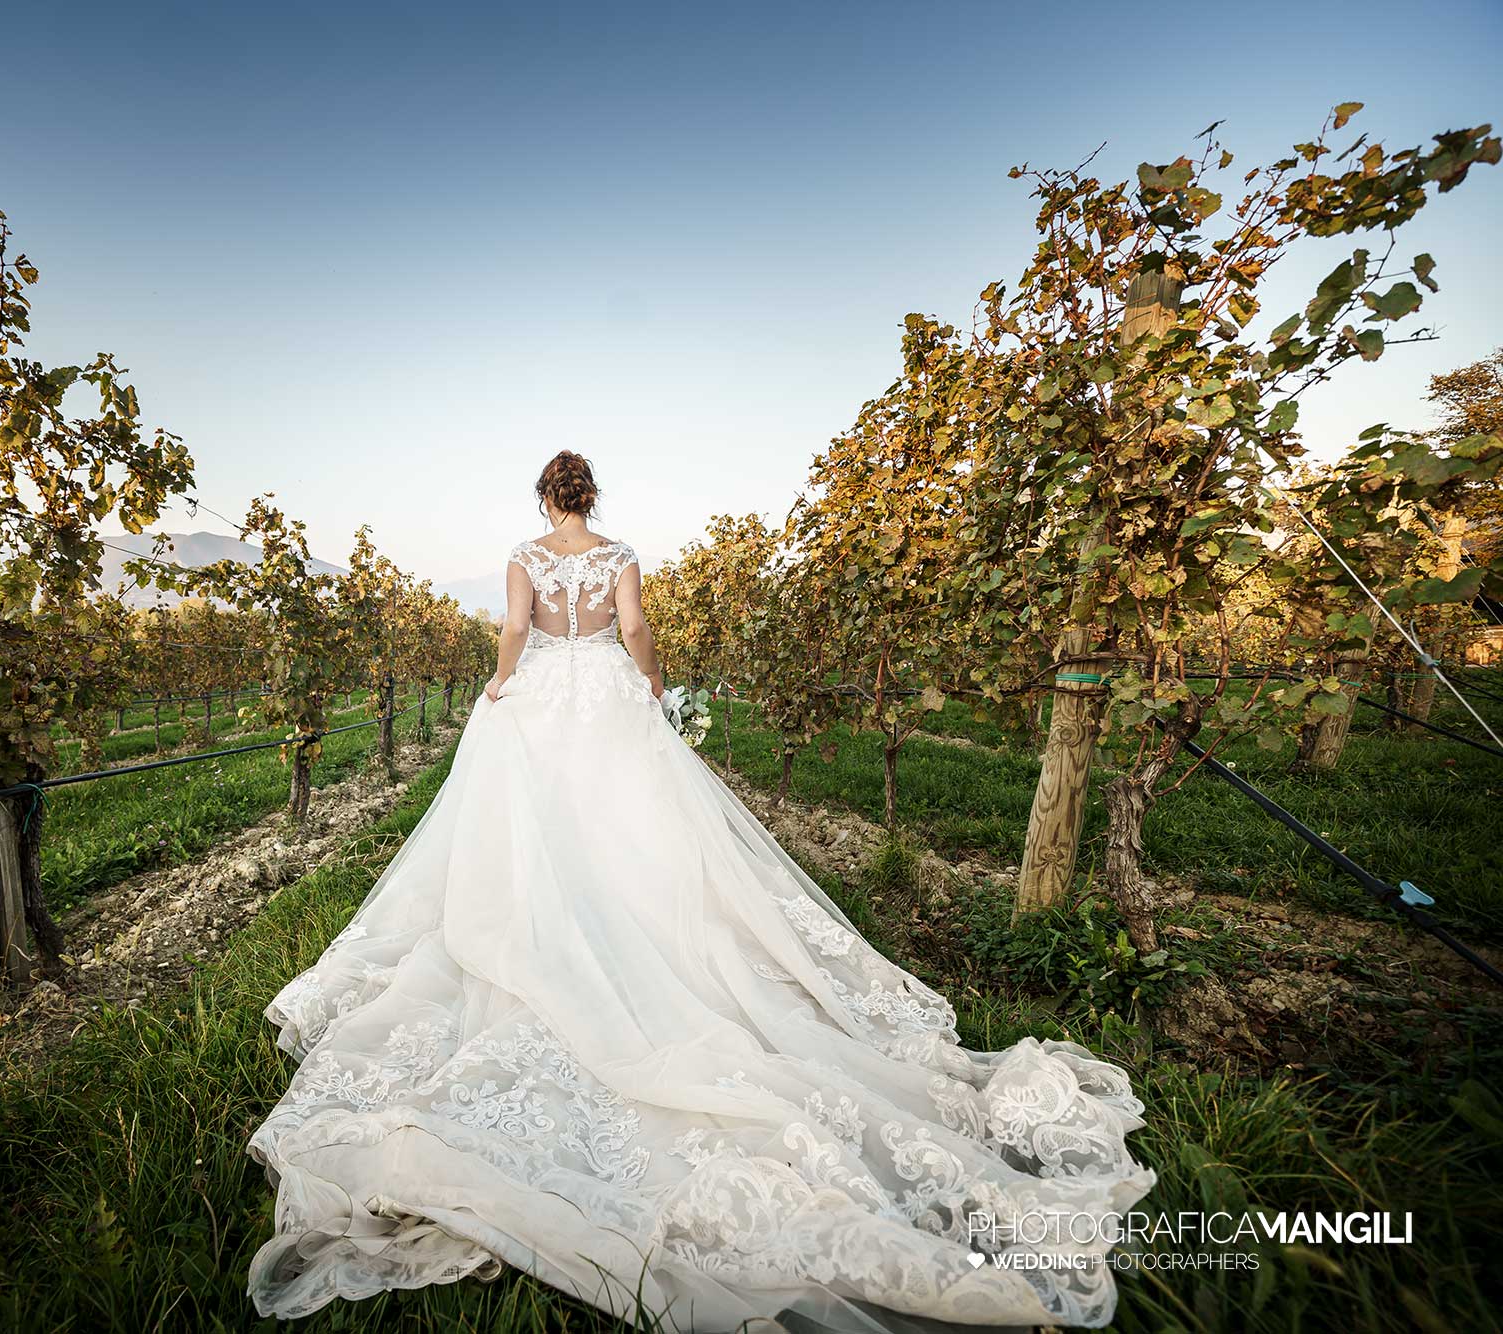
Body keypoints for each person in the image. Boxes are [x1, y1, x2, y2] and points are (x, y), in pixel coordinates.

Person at [246, 451, 1154, 1332]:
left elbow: (515, 631)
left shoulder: (523, 560)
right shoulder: (620, 557)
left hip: (544, 699)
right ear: (590, 496)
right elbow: (635, 630)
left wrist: (500, 680)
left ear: (542, 500)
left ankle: (550, 919)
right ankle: (629, 920)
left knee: (541, 822)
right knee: (632, 824)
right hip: (602, 694)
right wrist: (647, 678)